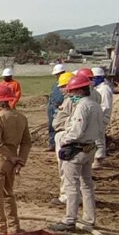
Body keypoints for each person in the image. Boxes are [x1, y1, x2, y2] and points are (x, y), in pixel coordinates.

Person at [50, 74, 104, 232]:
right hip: (90, 148)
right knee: (87, 185)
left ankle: (69, 220)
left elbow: (76, 131)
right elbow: (100, 130)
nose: (70, 95)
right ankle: (89, 218)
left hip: (76, 149)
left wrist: (64, 140)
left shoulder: (82, 107)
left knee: (71, 185)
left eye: (72, 92)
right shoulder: (95, 106)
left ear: (79, 91)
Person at [0, 83, 32, 235]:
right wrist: (19, 160)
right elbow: (26, 142)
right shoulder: (21, 117)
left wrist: (10, 157)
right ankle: (14, 227)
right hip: (12, 162)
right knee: (8, 194)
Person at [51, 72, 75, 207]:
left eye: (63, 86)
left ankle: (66, 196)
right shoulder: (70, 100)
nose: (60, 89)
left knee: (65, 168)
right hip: (65, 134)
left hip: (66, 136)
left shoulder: (74, 101)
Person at [91, 67, 113, 169]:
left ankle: (99, 160)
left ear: (100, 78)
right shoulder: (98, 88)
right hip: (97, 115)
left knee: (99, 138)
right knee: (95, 137)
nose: (92, 81)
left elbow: (105, 106)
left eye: (94, 78)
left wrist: (97, 116)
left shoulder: (104, 89)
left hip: (101, 117)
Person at [46, 64, 67, 151]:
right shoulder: (56, 84)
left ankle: (60, 145)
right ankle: (52, 144)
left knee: (59, 126)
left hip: (60, 108)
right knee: (51, 126)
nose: (56, 76)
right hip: (52, 107)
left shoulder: (66, 83)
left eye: (57, 74)